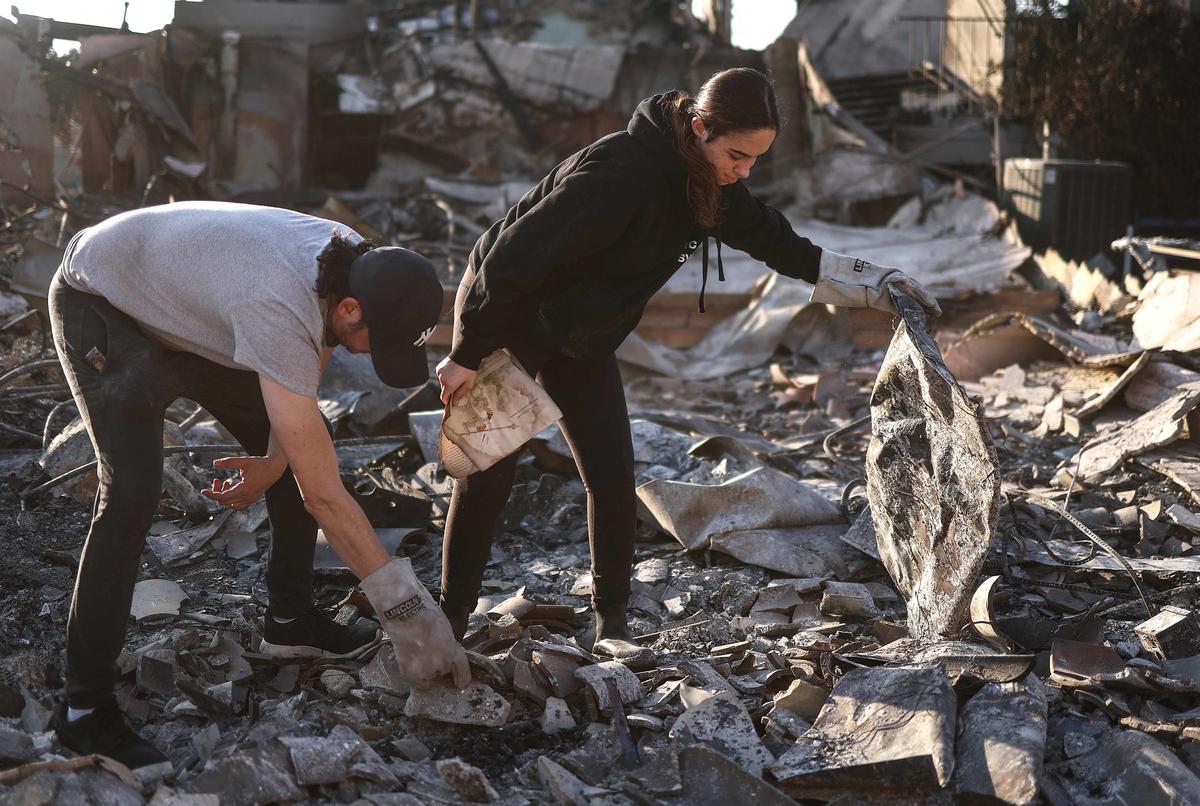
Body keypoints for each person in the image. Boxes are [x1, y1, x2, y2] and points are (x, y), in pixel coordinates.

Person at [434, 68, 940, 656]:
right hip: (510, 318)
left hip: (581, 336)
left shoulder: (710, 184)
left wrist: (874, 282)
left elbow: (779, 242)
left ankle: (611, 622)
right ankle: (448, 622)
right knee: (487, 475)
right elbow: (507, 259)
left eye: (755, 160)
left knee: (612, 473)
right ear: (699, 128)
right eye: (736, 155)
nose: (743, 171)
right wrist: (465, 353)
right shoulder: (620, 174)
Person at [48, 201, 470, 769]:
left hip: (190, 297)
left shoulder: (348, 256)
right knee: (130, 495)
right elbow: (324, 496)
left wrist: (274, 461)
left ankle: (292, 621)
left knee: (299, 453)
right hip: (102, 299)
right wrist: (407, 612)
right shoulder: (276, 301)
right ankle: (83, 710)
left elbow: (315, 345)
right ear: (351, 308)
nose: (374, 357)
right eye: (377, 341)